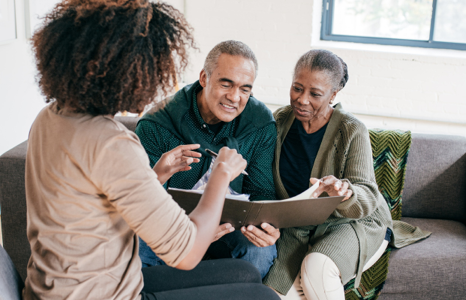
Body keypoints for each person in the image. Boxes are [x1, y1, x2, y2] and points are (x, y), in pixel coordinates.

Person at [23, 1, 280, 300]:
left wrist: (154, 176)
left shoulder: (51, 117)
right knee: (266, 298)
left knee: (246, 274)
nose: (156, 81)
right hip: (107, 295)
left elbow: (99, 199)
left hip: (59, 287)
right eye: (151, 67)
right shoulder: (113, 144)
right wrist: (222, 173)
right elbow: (187, 253)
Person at [262, 49, 430, 300]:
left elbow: (367, 194)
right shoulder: (280, 120)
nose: (302, 99)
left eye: (315, 94)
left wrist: (345, 192)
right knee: (271, 294)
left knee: (316, 270)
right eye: (297, 88)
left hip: (353, 220)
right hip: (299, 227)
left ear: (333, 94)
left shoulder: (351, 130)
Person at [136, 40, 280, 278]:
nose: (235, 97)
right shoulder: (157, 123)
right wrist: (189, 230)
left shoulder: (260, 123)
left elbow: (261, 191)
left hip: (228, 227)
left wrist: (268, 227)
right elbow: (142, 204)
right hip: (170, 225)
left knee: (260, 251)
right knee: (137, 245)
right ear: (204, 78)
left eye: (245, 89)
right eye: (226, 84)